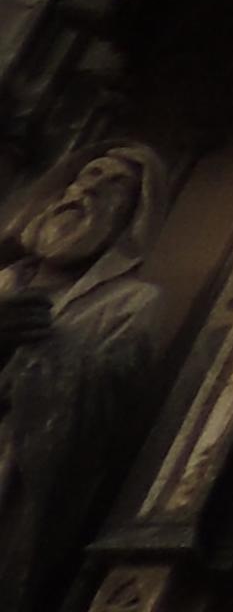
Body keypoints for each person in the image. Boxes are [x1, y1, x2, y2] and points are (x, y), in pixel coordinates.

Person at [0, 146, 166, 612]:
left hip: (15, 475)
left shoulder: (132, 304)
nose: (89, 188)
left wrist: (39, 352)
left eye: (112, 185)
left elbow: (105, 413)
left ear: (131, 217)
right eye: (88, 174)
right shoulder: (3, 280)